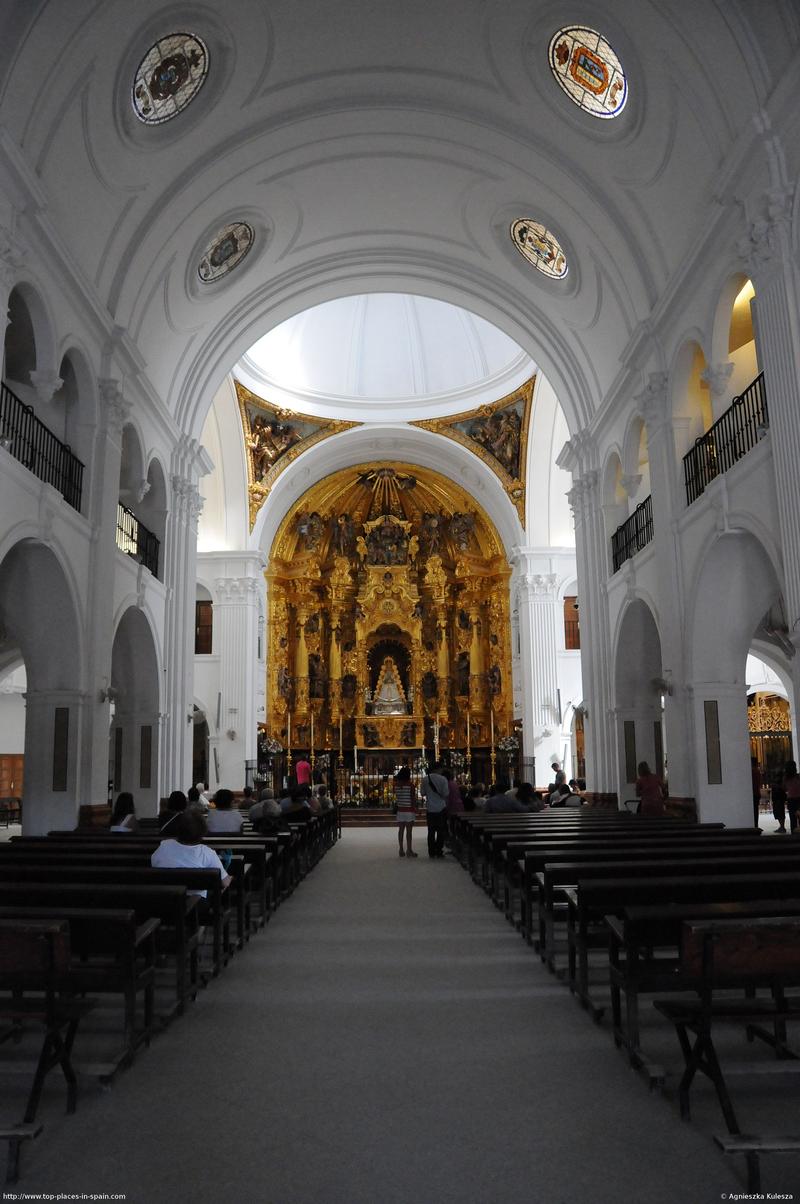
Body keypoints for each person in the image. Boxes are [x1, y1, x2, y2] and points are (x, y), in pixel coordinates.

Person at [151, 810, 231, 897]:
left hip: (167, 900)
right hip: (195, 904)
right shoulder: (207, 853)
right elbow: (225, 883)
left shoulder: (164, 845)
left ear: (178, 829)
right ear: (202, 832)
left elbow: (154, 862)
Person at [421, 762, 449, 858]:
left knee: (431, 831)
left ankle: (431, 851)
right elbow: (446, 794)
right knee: (441, 830)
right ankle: (439, 850)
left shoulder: (425, 779)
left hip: (430, 808)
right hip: (441, 807)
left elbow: (422, 793)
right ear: (439, 769)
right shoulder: (443, 779)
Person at [394, 765, 418, 858]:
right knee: (409, 832)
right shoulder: (410, 785)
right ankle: (409, 850)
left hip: (400, 810)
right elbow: (412, 798)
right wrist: (416, 808)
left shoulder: (396, 785)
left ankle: (401, 849)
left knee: (401, 831)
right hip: (409, 810)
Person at [784, 760, 800, 833]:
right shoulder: (798, 776)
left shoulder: (786, 778)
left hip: (791, 799)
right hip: (799, 798)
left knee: (792, 819)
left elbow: (784, 788)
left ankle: (793, 834)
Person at [771, 768, 787, 833]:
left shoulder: (781, 779)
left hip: (779, 798)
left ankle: (782, 827)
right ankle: (781, 826)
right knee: (778, 812)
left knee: (780, 812)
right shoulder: (778, 779)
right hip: (777, 798)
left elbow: (783, 787)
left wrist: (776, 786)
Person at [750, 756, 762, 829]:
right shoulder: (757, 771)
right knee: (755, 810)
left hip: (753, 793)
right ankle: (755, 824)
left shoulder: (753, 771)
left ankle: (754, 825)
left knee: (754, 810)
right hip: (756, 792)